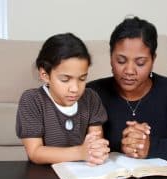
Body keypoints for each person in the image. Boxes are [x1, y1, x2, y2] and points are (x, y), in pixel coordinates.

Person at [87, 16, 167, 161]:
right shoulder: (92, 93)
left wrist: (151, 147)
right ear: (111, 57)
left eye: (140, 63)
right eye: (121, 61)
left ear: (153, 60)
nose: (129, 70)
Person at [16, 33, 110, 165]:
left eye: (82, 79)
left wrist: (97, 150)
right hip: (44, 176)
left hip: (82, 173)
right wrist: (80, 152)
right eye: (65, 79)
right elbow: (35, 152)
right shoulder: (32, 100)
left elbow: (95, 144)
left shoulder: (91, 98)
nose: (75, 89)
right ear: (45, 75)